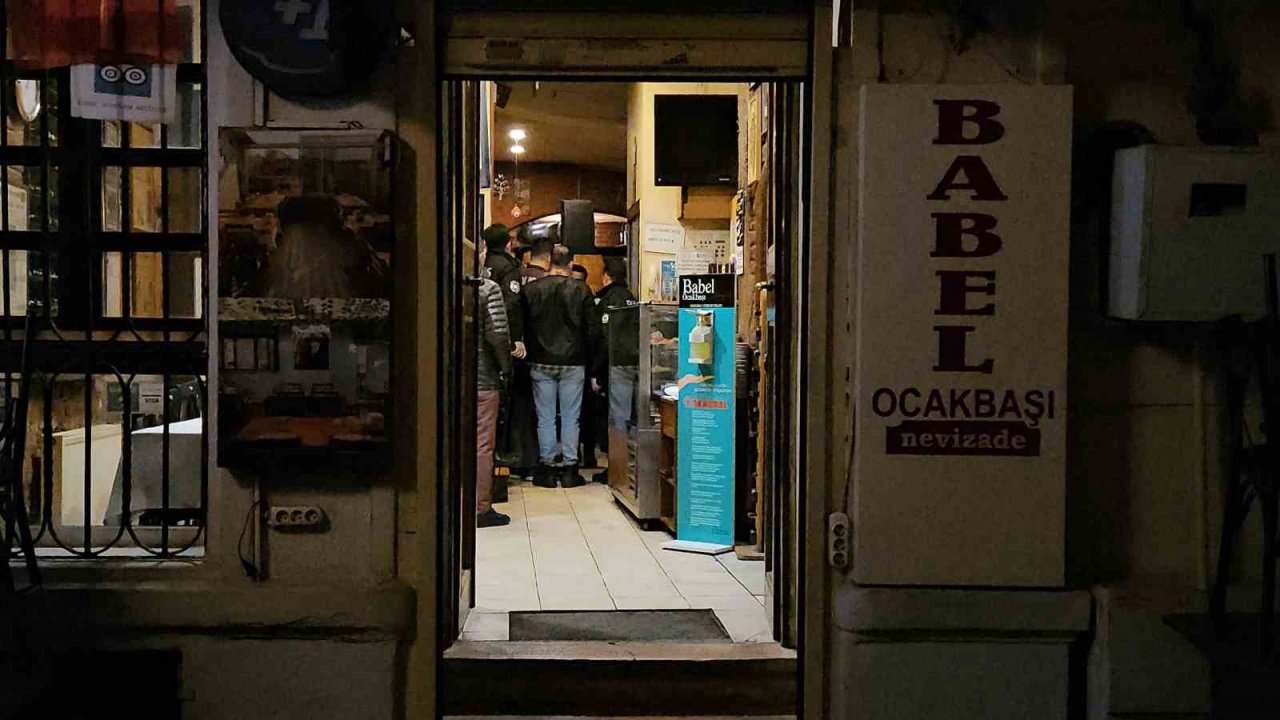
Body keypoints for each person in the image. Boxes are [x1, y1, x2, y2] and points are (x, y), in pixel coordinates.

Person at [521, 244, 598, 488]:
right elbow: (592, 330)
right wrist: (592, 361)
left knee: (545, 417)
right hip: (574, 361)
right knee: (570, 417)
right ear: (571, 264)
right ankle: (569, 469)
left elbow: (523, 325)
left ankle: (546, 469)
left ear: (548, 262)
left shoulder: (531, 290)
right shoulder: (582, 290)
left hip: (540, 359)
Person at [591, 257, 639, 482]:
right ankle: (633, 468)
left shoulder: (606, 300)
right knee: (635, 417)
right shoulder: (632, 298)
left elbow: (603, 339)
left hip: (617, 363)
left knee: (618, 417)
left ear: (607, 275)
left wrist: (596, 371)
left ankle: (617, 470)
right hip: (637, 363)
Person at [476, 274, 513, 528]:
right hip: (482, 377)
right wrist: (505, 367)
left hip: (440, 379)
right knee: (482, 444)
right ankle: (480, 507)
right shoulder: (486, 288)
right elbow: (497, 334)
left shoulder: (436, 282)